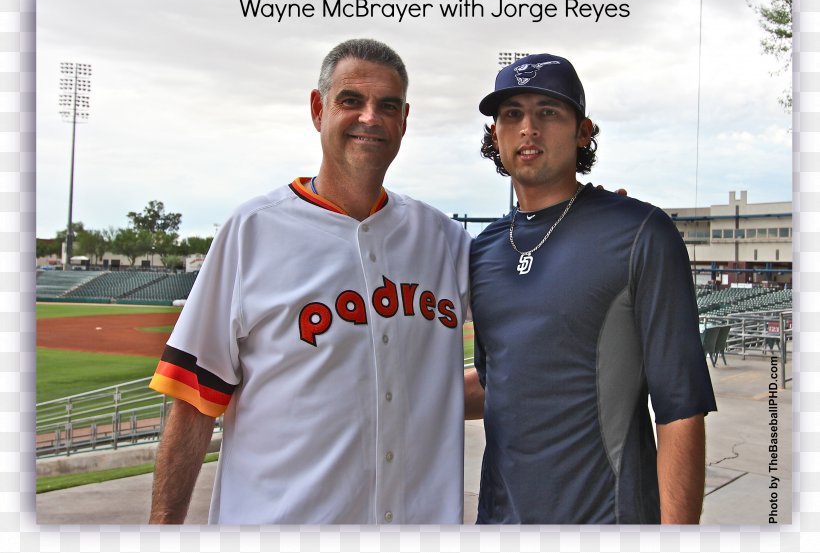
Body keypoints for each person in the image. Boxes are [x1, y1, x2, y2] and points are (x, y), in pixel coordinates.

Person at [148, 39, 472, 524]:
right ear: (318, 109)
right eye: (351, 101)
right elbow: (194, 403)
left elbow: (527, 362)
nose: (370, 117)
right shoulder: (253, 230)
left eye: (388, 106)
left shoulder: (444, 239)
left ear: (404, 120)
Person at [465, 53, 718, 524]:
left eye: (548, 112)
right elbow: (496, 383)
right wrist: (381, 397)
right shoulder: (485, 249)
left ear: (583, 131)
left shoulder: (641, 232)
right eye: (512, 114)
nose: (528, 128)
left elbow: (679, 407)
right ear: (495, 134)